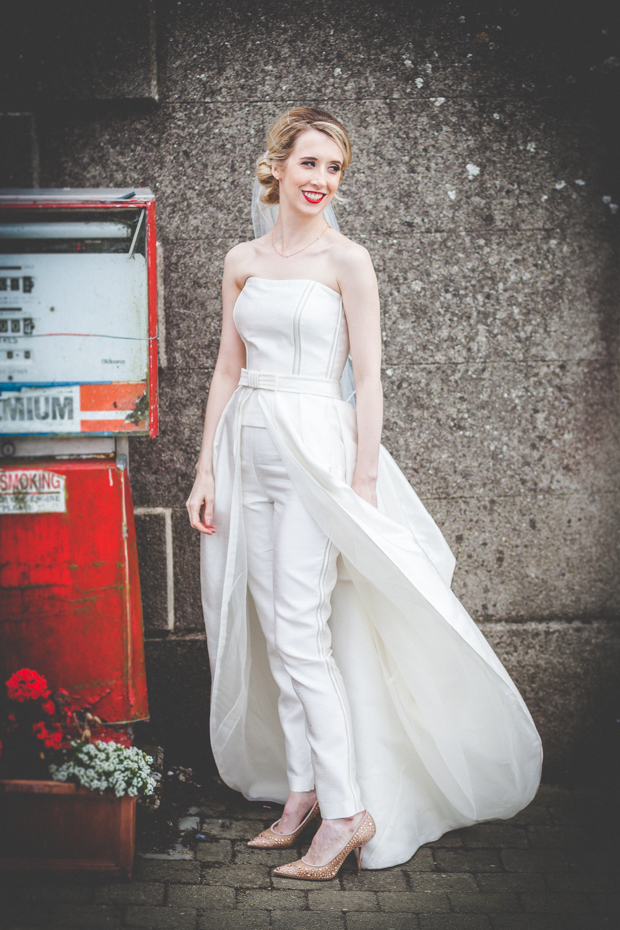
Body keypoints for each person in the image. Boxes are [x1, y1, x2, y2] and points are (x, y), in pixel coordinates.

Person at [187, 107, 543, 879]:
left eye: (335, 169)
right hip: (246, 446)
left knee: (300, 628)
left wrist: (364, 478)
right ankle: (302, 789)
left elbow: (371, 378)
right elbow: (224, 367)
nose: (322, 181)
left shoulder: (350, 262)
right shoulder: (241, 257)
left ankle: (348, 814)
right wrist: (205, 469)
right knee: (269, 626)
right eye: (310, 163)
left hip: (317, 449)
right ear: (276, 165)